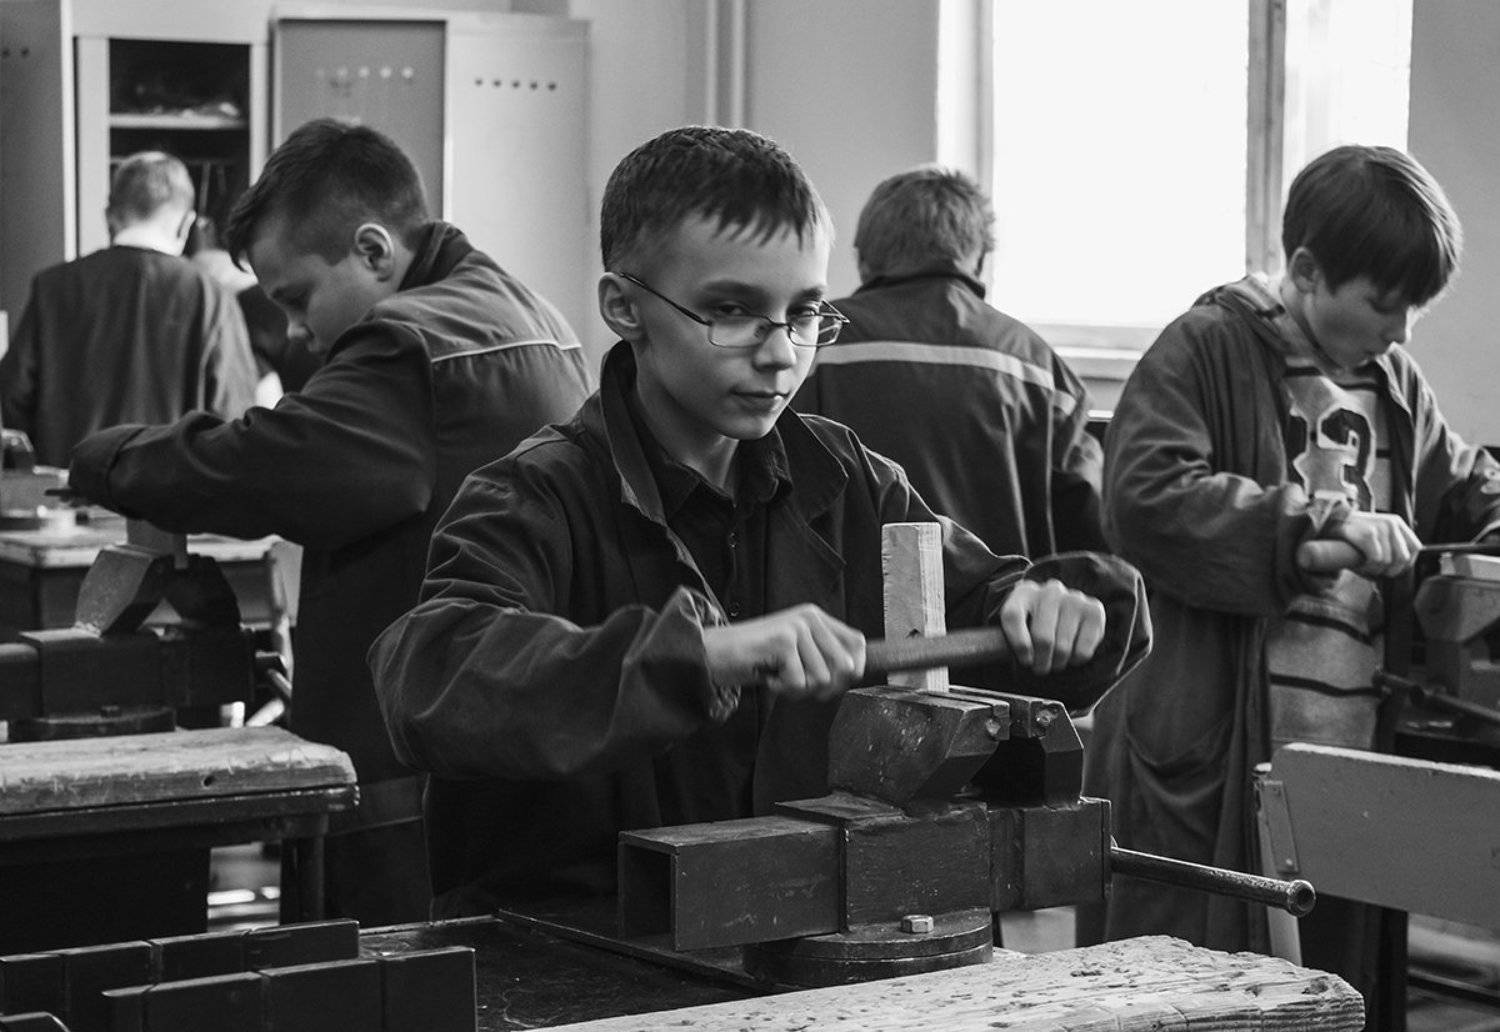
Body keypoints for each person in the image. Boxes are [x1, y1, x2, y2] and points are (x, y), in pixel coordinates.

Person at [368, 125, 1152, 918]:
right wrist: (697, 658)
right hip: (582, 954)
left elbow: (985, 604)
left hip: (797, 937)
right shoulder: (535, 496)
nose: (781, 354)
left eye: (805, 313)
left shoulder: (845, 480)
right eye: (732, 311)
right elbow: (429, 677)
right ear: (624, 306)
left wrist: (1059, 610)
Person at [67, 118, 595, 924]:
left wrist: (110, 459)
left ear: (374, 251)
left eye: (297, 298)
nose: (294, 330)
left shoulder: (407, 347)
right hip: (516, 769)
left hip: (411, 791)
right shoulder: (533, 315)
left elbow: (261, 466)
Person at [1082, 144, 1500, 1019]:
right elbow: (1144, 498)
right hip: (1221, 746)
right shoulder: (1208, 345)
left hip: (1342, 756)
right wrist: (1311, 530)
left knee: (1324, 990)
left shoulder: (1393, 379)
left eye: (1416, 308)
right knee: (1197, 990)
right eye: (1384, 303)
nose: (1402, 329)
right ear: (1306, 271)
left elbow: (1457, 486)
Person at [794, 166, 1104, 558]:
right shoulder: (1041, 369)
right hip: (1003, 595)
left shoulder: (810, 342)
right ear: (980, 259)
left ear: (864, 258)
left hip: (840, 595)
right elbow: (1087, 527)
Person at [1, 151, 258, 466]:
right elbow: (233, 415)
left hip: (71, 487)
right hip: (170, 492)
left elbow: (13, 396)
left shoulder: (52, 288)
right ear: (186, 224)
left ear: (109, 217)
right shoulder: (212, 298)